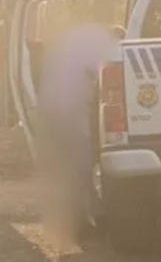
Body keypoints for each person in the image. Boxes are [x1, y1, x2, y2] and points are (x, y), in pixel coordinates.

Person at [37, 22, 125, 242]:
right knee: (79, 171)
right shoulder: (102, 59)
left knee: (80, 172)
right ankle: (81, 223)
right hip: (74, 117)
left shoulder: (73, 58)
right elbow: (95, 89)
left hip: (64, 115)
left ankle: (90, 218)